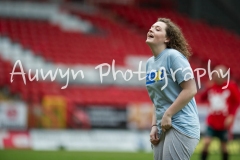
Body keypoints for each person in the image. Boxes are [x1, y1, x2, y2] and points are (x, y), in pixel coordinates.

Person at [145, 18, 200, 160]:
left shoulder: (174, 56)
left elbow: (191, 89)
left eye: (158, 29)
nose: (151, 29)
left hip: (181, 124)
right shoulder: (149, 63)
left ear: (167, 38)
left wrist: (168, 114)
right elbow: (157, 98)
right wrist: (154, 125)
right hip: (162, 125)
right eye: (151, 27)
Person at [200, 65, 240, 160]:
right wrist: (207, 88)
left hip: (224, 122)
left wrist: (231, 116)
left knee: (224, 146)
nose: (216, 76)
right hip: (212, 121)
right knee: (206, 142)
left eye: (218, 74)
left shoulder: (231, 86)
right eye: (215, 74)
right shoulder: (211, 86)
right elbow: (202, 98)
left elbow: (237, 102)